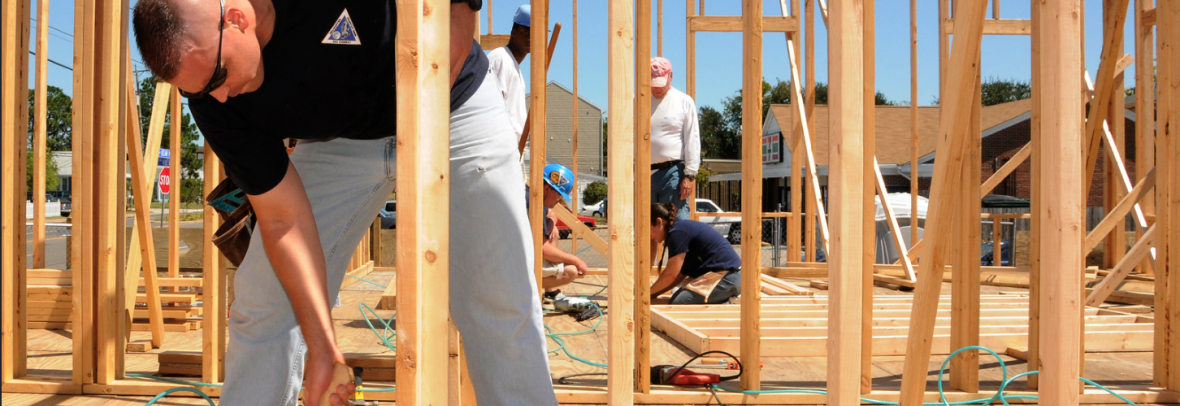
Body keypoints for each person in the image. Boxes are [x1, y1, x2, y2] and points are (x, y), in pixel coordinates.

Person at [131, 1, 558, 405]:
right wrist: (323, 348)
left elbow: (453, 15)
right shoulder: (213, 100)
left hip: (452, 103)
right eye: (199, 92)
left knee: (502, 301)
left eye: (217, 77)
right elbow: (282, 220)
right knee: (265, 304)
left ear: (238, 18)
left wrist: (453, 27)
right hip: (339, 141)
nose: (218, 96)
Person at [648, 203, 742, 304]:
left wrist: (646, 294)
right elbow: (678, 276)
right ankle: (724, 299)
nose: (649, 235)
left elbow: (670, 274)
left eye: (648, 229)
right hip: (733, 278)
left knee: (679, 303)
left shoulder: (677, 233)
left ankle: (728, 304)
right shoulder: (680, 229)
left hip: (726, 279)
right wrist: (653, 294)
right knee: (676, 299)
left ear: (659, 222)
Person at [649, 57, 701, 220]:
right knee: (646, 229)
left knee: (676, 225)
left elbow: (692, 138)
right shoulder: (637, 101)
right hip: (644, 173)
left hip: (673, 172)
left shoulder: (683, 101)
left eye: (661, 82)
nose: (657, 88)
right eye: (653, 82)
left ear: (670, 76)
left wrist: (690, 175)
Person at [532, 164, 589, 292]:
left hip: (508, 261)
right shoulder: (532, 205)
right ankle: (524, 292)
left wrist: (551, 222)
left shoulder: (532, 197)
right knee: (571, 271)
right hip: (510, 271)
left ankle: (550, 292)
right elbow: (543, 250)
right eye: (559, 195)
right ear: (547, 189)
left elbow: (551, 213)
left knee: (554, 231)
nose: (560, 200)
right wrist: (577, 261)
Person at [486, 4, 531, 143]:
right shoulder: (501, 58)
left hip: (511, 150)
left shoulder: (513, 65)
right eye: (526, 31)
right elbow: (493, 110)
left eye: (535, 32)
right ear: (513, 31)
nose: (530, 37)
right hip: (501, 148)